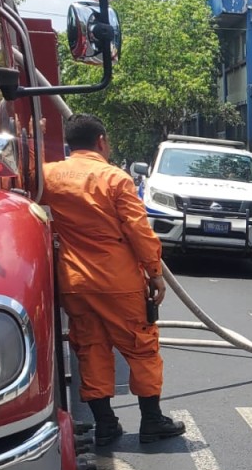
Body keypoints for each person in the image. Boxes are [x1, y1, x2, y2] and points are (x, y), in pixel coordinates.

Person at [40, 114, 185, 447]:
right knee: (141, 347)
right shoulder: (114, 179)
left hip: (74, 281)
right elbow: (138, 229)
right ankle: (151, 421)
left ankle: (105, 424)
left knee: (90, 348)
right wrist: (154, 272)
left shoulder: (48, 177)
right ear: (101, 141)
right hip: (118, 281)